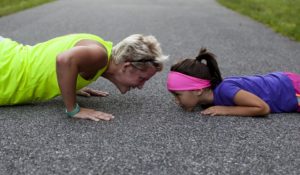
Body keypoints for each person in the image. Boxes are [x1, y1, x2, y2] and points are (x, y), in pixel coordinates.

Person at [0, 33, 168, 121]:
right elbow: (64, 60)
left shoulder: (101, 52)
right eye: (142, 79)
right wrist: (73, 109)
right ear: (127, 66)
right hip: (7, 70)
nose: (141, 86)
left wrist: (70, 85)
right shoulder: (99, 55)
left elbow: (60, 60)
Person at [167, 48, 300, 117]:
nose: (176, 101)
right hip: (284, 82)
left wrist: (226, 110)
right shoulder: (208, 98)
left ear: (198, 90)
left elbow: (263, 108)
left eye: (178, 95)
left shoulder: (226, 89)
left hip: (291, 89)